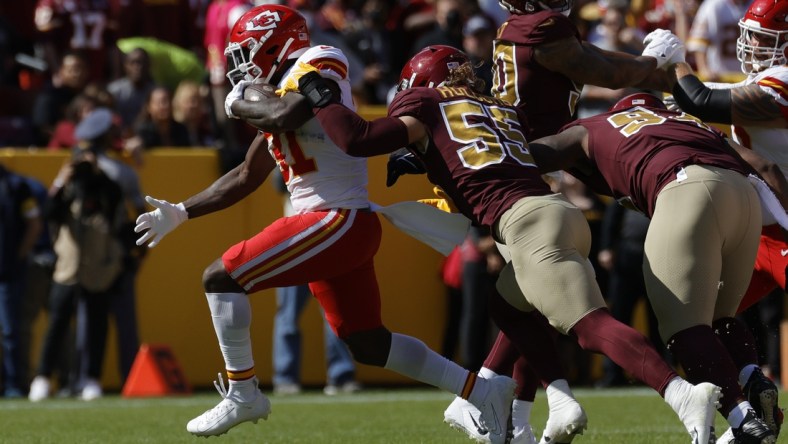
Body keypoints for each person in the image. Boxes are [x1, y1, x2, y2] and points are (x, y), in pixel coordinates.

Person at [298, 44, 723, 444]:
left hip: (525, 223)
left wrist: (323, 95)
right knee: (510, 306)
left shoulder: (426, 104)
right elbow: (475, 157)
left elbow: (358, 140)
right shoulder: (497, 107)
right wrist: (427, 158)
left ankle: (680, 393)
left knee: (591, 327)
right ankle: (530, 413)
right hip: (558, 212)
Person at [133, 5, 516, 442]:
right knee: (368, 342)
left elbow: (283, 116)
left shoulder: (317, 61)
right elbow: (245, 176)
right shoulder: (278, 92)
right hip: (338, 226)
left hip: (335, 219)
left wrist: (238, 100)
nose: (242, 65)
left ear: (276, 43)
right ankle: (480, 390)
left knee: (221, 277)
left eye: (247, 52)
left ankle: (244, 392)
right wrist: (181, 211)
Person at [444, 0, 686, 437]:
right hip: (521, 171)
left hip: (523, 164)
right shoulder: (542, 26)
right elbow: (606, 73)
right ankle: (660, 395)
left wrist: (650, 67)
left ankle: (509, 417)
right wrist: (653, 61)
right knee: (556, 307)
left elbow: (587, 79)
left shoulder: (519, 26)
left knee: (529, 297)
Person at [523, 91, 785, 443]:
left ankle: (745, 423)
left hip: (685, 188)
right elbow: (767, 167)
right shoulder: (690, 123)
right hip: (744, 198)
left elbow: (539, 153)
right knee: (719, 320)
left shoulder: (593, 126)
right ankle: (752, 377)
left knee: (684, 329)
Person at [661, 0, 788, 438]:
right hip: (759, 231)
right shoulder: (767, 80)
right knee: (702, 322)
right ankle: (752, 400)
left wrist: (674, 64)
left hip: (782, 228)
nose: (751, 46)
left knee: (702, 321)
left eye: (764, 38)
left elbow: (701, 99)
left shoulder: (783, 82)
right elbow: (704, 94)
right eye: (751, 35)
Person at [29, 133, 126, 402]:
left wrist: (98, 173)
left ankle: (92, 379)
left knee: (97, 325)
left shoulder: (106, 187)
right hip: (67, 267)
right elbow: (48, 212)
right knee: (57, 324)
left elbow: (116, 210)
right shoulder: (67, 188)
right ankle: (43, 377)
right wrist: (62, 180)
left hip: (98, 267)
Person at [270, 170, 359, 396]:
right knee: (288, 315)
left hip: (326, 236)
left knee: (335, 313)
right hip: (295, 240)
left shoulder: (331, 148)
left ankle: (341, 375)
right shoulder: (291, 146)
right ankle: (285, 377)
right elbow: (278, 181)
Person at [0, 164, 42, 397]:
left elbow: (34, 224)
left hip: (7, 272)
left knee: (10, 330)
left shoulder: (16, 186)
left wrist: (19, 256)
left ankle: (14, 383)